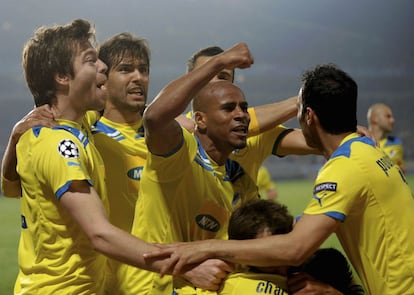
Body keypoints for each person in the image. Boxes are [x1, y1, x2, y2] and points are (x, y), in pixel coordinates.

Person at [144, 64, 414, 294]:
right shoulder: (366, 149)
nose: (241, 116)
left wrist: (204, 249)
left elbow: (295, 249)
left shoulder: (344, 167)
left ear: (308, 116)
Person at [9, 19, 199, 294]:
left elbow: (10, 185)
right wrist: (184, 265)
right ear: (62, 76)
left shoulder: (58, 128)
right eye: (90, 61)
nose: (102, 67)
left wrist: (15, 134)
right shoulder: (61, 144)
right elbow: (100, 234)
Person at [367, 103, 406, 173]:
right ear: (374, 119)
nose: (392, 120)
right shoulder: (361, 142)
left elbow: (402, 170)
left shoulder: (396, 143)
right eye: (388, 116)